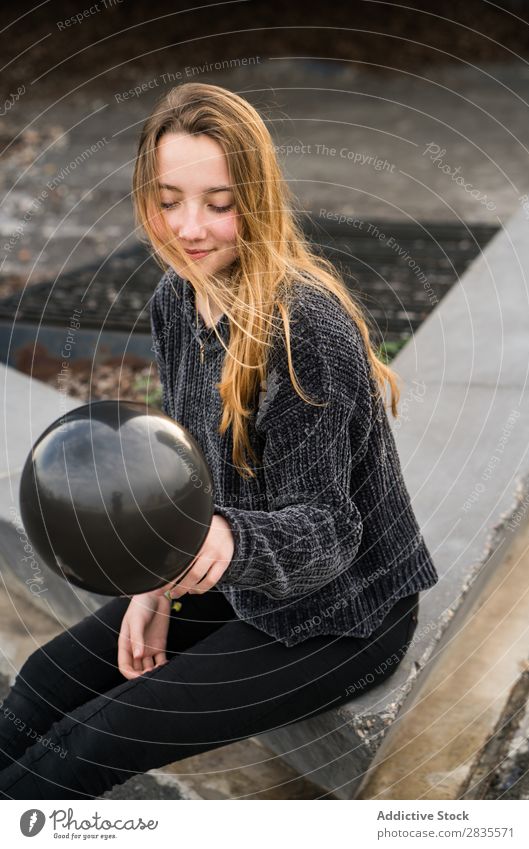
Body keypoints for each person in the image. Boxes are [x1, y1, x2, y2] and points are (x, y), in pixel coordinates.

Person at [0, 82, 438, 800]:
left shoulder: (305, 332)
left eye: (219, 202)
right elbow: (186, 471)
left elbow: (329, 532)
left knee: (97, 739)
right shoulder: (176, 297)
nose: (190, 227)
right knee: (47, 680)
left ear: (256, 200)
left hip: (343, 614)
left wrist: (225, 542)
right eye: (169, 200)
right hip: (242, 578)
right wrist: (155, 586)